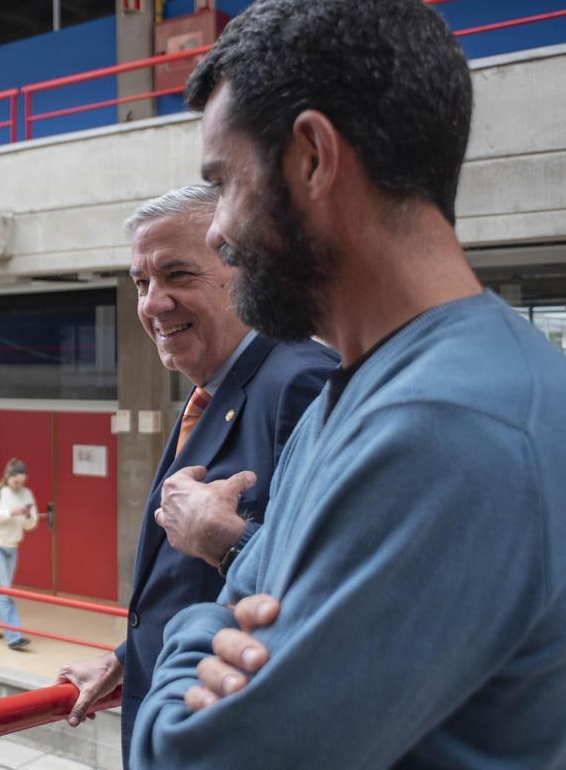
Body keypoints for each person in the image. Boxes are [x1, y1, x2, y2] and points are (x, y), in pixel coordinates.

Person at [128, 0, 566, 769]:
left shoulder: (454, 425)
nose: (217, 233)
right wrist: (225, 615)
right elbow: (244, 586)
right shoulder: (349, 398)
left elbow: (188, 757)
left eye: (225, 183)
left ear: (314, 158)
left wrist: (193, 633)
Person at [57, 184, 334, 762]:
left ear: (249, 272)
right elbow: (196, 589)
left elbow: (330, 588)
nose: (153, 303)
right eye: (141, 283)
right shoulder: (211, 390)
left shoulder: (302, 382)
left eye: (178, 275)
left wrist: (225, 540)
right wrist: (127, 655)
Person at [0, 459, 38, 650]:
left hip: (12, 546)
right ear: (8, 477)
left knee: (1, 588)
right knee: (4, 591)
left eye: (22, 482)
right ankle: (14, 636)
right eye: (16, 482)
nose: (19, 486)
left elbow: (31, 525)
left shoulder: (26, 494)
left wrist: (27, 516)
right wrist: (10, 512)